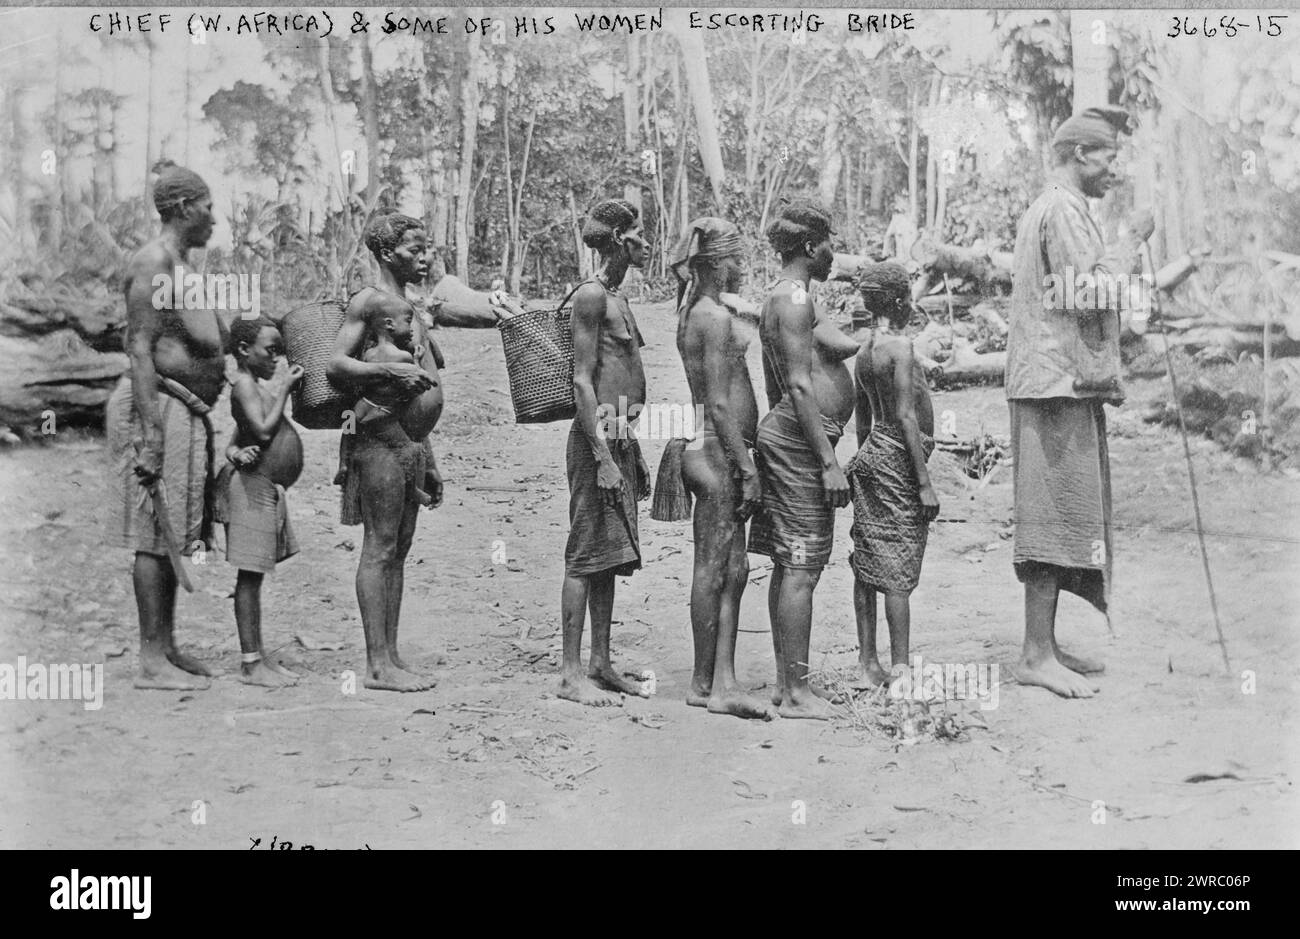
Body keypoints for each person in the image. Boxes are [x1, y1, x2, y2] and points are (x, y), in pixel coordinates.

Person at [1006, 106, 1154, 698]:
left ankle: (1045, 644)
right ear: (1080, 154)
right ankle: (1035, 653)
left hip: (1065, 381)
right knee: (1051, 517)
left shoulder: (1066, 210)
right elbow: (1083, 293)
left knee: (1068, 514)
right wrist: (1130, 242)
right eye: (1109, 156)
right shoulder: (1062, 211)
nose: (1114, 169)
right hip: (1052, 385)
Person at [327, 214, 465, 691]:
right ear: (388, 254)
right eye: (414, 249)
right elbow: (336, 365)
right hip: (378, 445)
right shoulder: (368, 300)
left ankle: (391, 653)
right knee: (380, 547)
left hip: (409, 446)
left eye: (427, 248)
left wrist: (430, 458)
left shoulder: (407, 306)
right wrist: (390, 376)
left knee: (400, 550)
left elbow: (420, 393)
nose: (425, 257)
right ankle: (376, 664)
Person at [107, 161, 223, 691]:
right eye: (207, 207)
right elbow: (138, 347)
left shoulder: (181, 264)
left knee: (170, 528)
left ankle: (169, 645)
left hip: (183, 410)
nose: (214, 218)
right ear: (182, 209)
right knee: (153, 532)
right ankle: (151, 659)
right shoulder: (154, 262)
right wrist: (150, 432)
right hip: (157, 407)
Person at [748, 199, 857, 720]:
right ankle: (795, 693)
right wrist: (827, 461)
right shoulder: (792, 299)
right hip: (801, 446)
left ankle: (787, 681)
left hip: (792, 438)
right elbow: (794, 383)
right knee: (802, 566)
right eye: (830, 242)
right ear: (811, 246)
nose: (835, 253)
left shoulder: (791, 297)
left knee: (790, 562)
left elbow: (782, 381)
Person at [669, 218, 772, 720]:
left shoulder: (699, 311)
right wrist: (747, 465)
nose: (740, 267)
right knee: (715, 568)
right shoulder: (709, 317)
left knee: (732, 567)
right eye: (734, 259)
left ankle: (715, 680)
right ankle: (709, 682)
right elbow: (717, 402)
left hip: (712, 451)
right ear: (715, 263)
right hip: (716, 453)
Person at [558, 199, 653, 708]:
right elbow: (582, 380)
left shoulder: (616, 296)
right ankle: (571, 673)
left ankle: (600, 660)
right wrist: (602, 457)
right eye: (638, 233)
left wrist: (623, 449)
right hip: (595, 441)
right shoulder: (592, 297)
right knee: (583, 554)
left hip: (618, 436)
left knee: (608, 555)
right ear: (618, 239)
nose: (646, 241)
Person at [844, 262, 939, 690]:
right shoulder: (900, 348)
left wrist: (864, 461)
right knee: (898, 569)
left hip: (871, 457)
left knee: (867, 562)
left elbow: (863, 421)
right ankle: (901, 669)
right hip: (900, 460)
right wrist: (923, 481)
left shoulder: (865, 350)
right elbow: (903, 414)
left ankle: (868, 662)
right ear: (901, 301)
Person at [215, 317, 304, 687]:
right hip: (251, 489)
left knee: (254, 576)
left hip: (262, 485)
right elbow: (265, 429)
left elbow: (243, 430)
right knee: (249, 578)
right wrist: (285, 387)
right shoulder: (245, 385)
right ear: (243, 350)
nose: (277, 359)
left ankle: (258, 657)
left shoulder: (251, 386)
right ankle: (251, 663)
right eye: (271, 351)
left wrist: (233, 450)